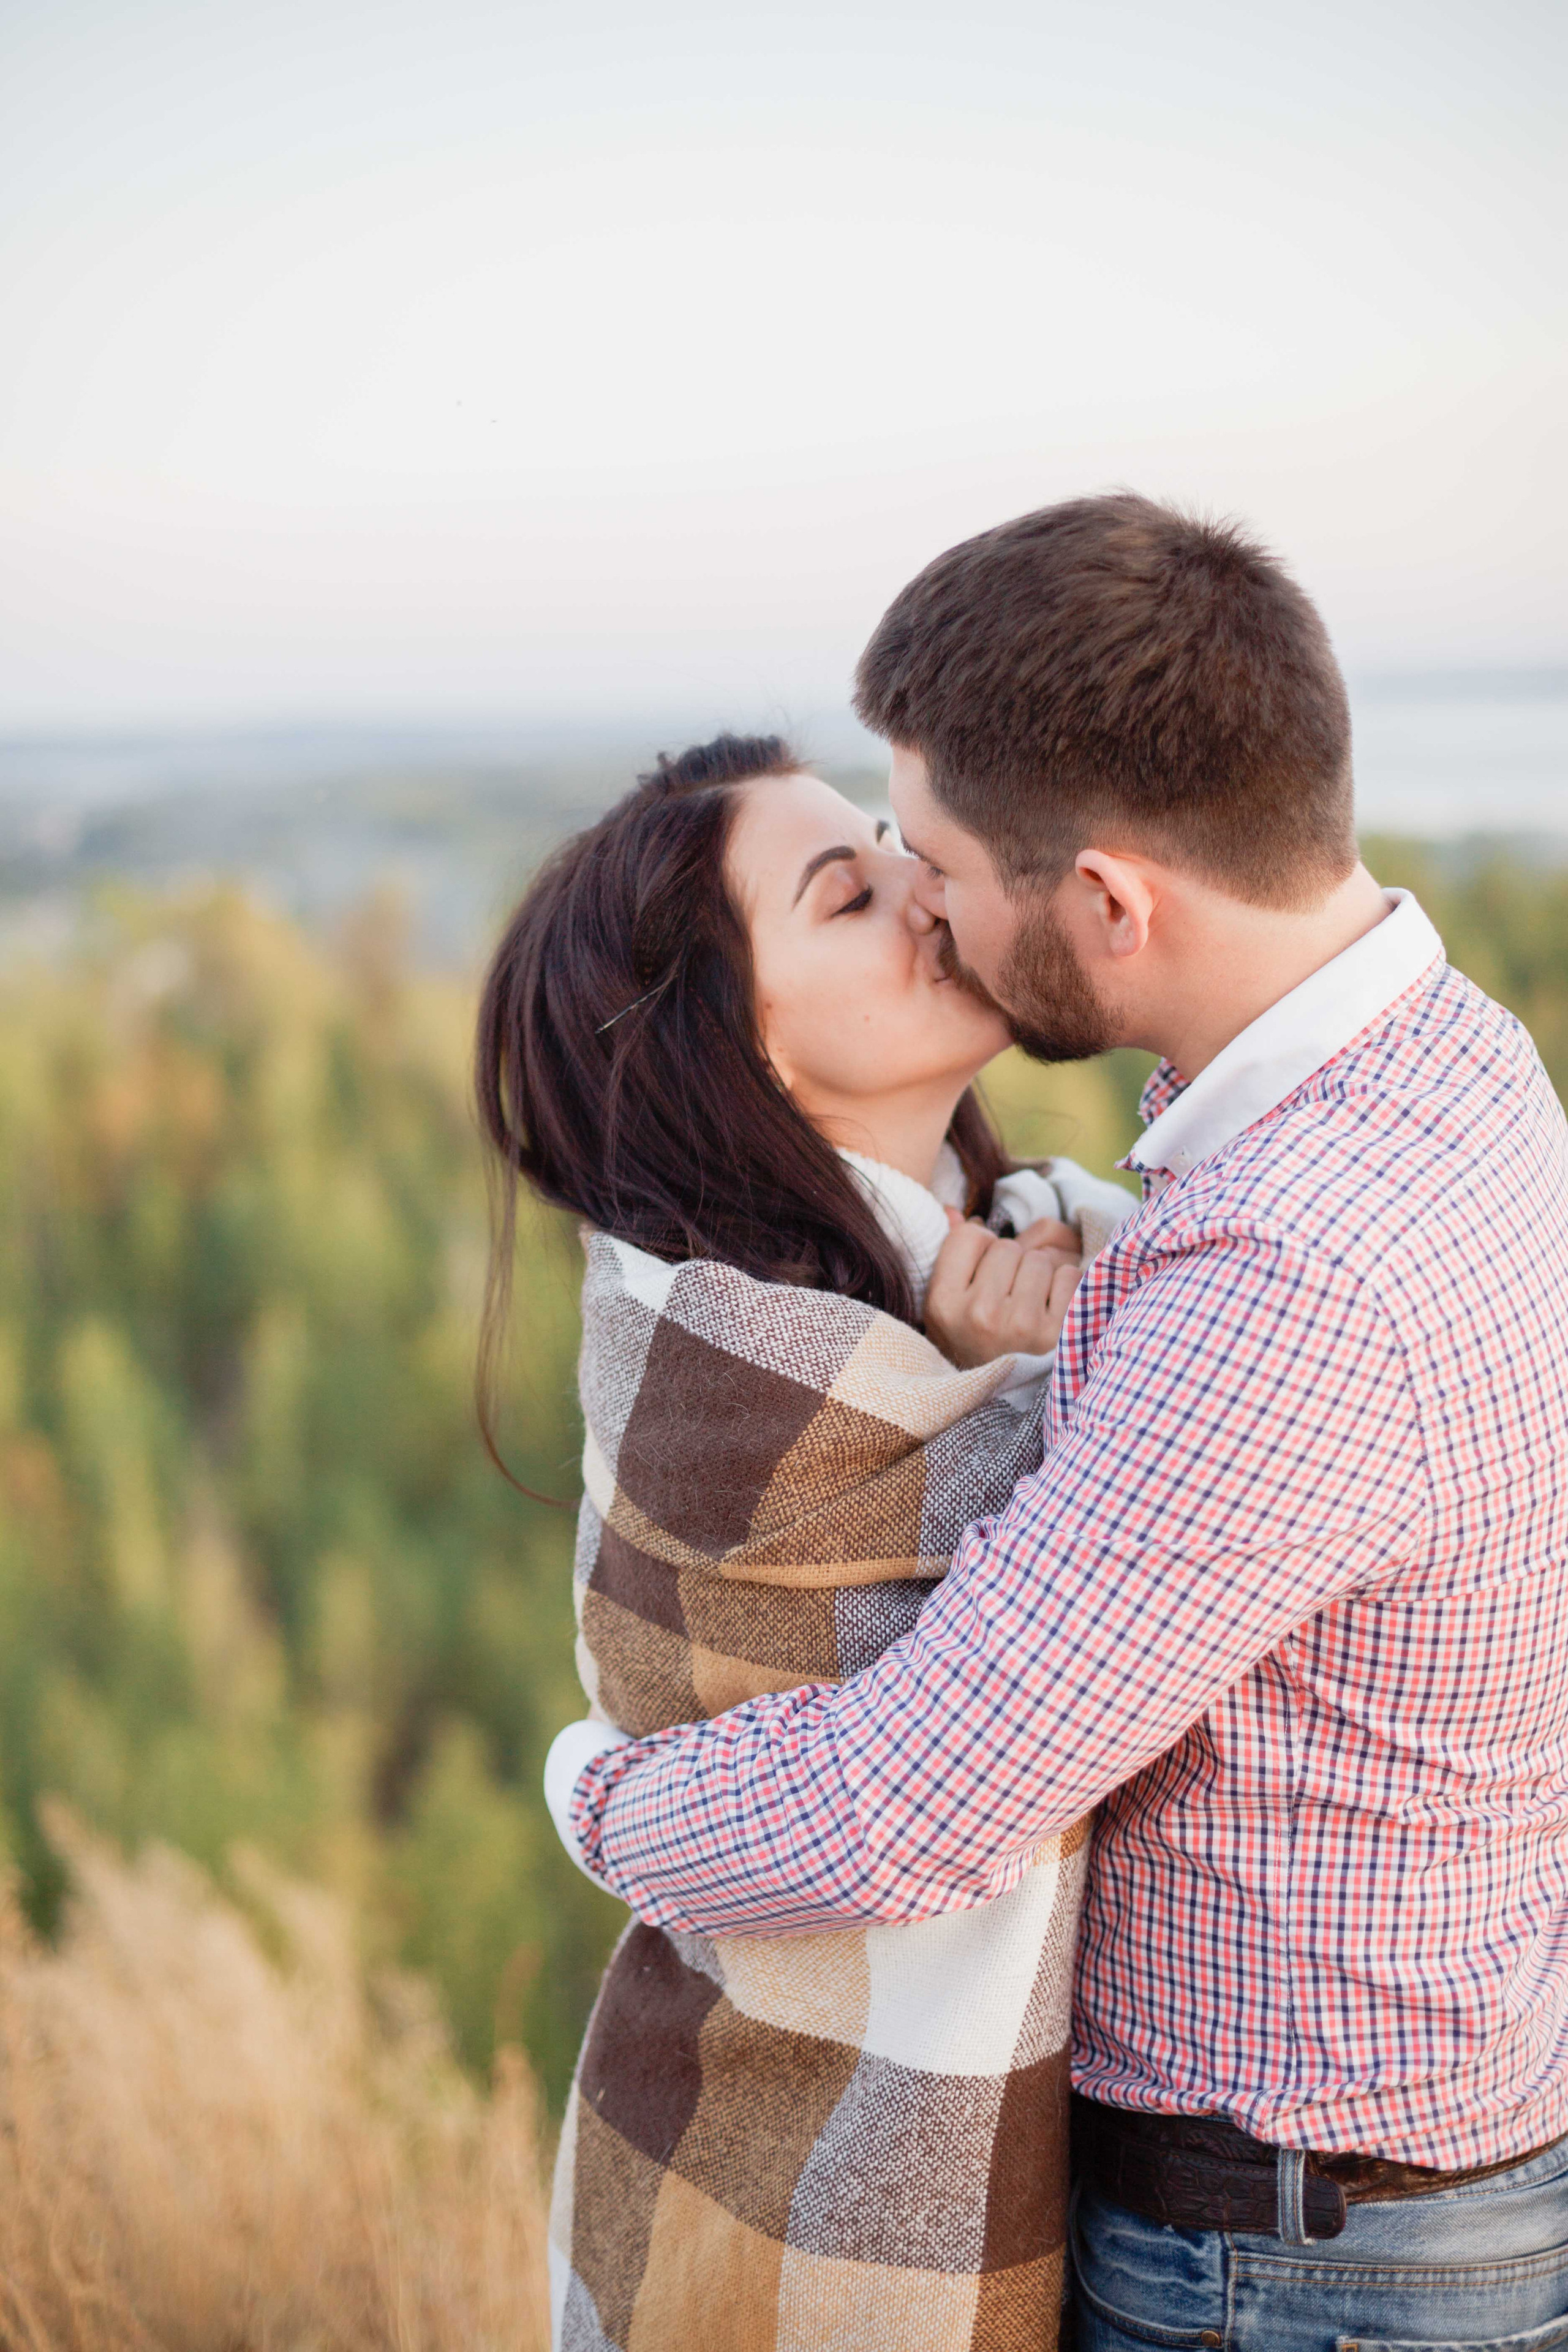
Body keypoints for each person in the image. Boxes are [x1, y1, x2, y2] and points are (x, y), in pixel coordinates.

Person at [548, 496, 1568, 2347]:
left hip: (1286, 2267)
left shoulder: (1289, 1279)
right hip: (1379, 2191)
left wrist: (593, 1796)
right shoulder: (1448, 1059)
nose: (922, 900)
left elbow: (900, 1812)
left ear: (1106, 900)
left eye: (921, 859)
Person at [475, 731, 1136, 2351]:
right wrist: (1069, 1353)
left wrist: (1050, 1298)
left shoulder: (985, 1261)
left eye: (895, 851)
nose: (928, 890)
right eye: (849, 894)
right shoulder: (748, 1396)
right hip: (798, 2211)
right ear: (737, 1056)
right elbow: (1161, 1537)